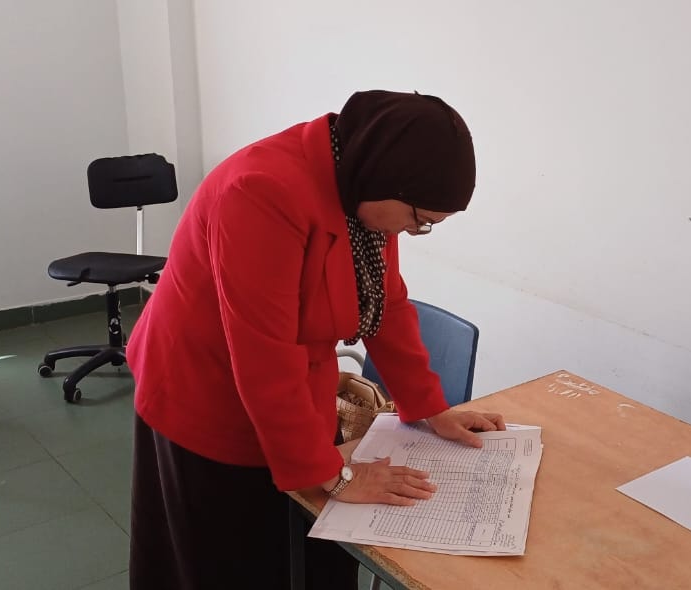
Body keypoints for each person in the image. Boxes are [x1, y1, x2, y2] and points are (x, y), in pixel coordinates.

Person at [125, 90, 506, 589]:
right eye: (421, 220)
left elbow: (386, 306)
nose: (416, 233)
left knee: (315, 559)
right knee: (232, 561)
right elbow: (265, 358)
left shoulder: (362, 184)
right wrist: (336, 477)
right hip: (203, 391)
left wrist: (431, 408)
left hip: (290, 392)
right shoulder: (259, 192)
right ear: (386, 180)